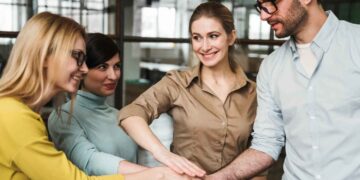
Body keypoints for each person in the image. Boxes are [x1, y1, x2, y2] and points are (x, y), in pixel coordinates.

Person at [0, 12, 191, 180]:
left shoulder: (20, 113)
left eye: (116, 66)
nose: (83, 69)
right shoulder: (13, 116)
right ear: (44, 56)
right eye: (78, 57)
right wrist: (158, 174)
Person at [207, 0, 360, 179]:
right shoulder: (271, 67)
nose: (264, 15)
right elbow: (267, 143)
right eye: (261, 7)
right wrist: (216, 178)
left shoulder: (356, 44)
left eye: (271, 3)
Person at [118, 2, 265, 179]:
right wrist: (162, 153)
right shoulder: (177, 83)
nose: (204, 46)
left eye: (213, 36)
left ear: (231, 37)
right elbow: (131, 114)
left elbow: (259, 155)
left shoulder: (254, 93)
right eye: (197, 37)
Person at [47, 33, 148, 176]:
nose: (113, 76)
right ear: (82, 69)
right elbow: (89, 161)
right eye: (102, 67)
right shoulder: (62, 116)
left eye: (117, 66)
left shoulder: (118, 115)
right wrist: (155, 174)